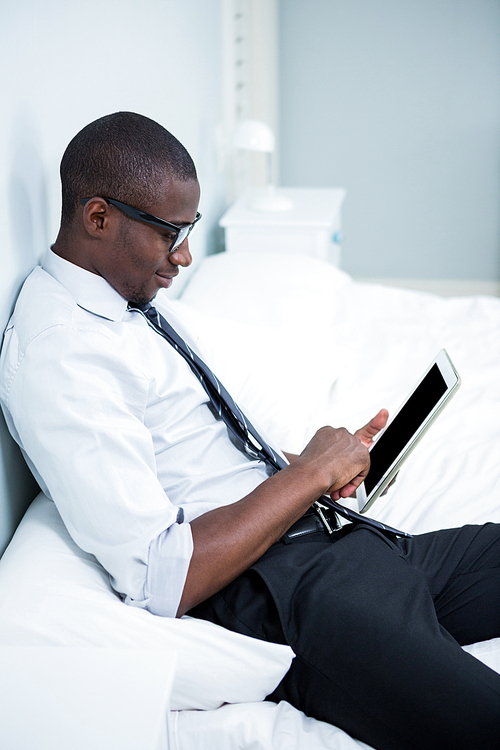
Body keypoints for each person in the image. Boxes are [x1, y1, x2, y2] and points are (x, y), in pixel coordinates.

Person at [1, 112, 499, 750]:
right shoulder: (59, 355)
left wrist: (314, 463)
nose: (183, 257)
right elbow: (163, 577)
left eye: (190, 232)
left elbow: (199, 450)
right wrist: (309, 473)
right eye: (170, 234)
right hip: (298, 593)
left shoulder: (123, 303)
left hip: (343, 544)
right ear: (98, 217)